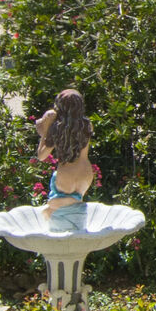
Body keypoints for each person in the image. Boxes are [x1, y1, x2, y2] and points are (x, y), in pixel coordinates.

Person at [35, 89, 97, 222]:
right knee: (74, 209)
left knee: (54, 211)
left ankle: (55, 213)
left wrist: (45, 130)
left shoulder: (57, 128)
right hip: (86, 173)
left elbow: (41, 156)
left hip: (66, 175)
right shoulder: (87, 124)